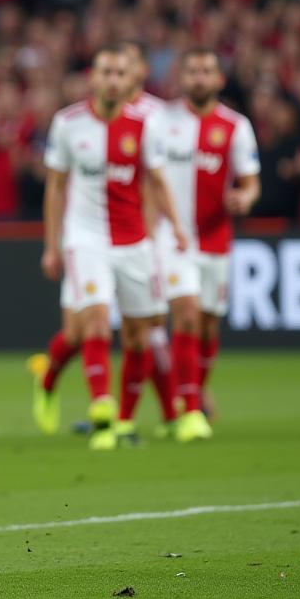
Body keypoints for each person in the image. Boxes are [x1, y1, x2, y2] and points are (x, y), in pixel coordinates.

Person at [35, 45, 187, 453]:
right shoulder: (67, 124)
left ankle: (122, 421)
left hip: (134, 241)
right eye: (107, 72)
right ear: (93, 77)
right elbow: (55, 186)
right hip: (85, 240)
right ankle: (101, 403)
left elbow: (156, 181)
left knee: (141, 334)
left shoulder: (144, 125)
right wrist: (52, 246)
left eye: (121, 73)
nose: (114, 80)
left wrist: (175, 227)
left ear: (130, 79)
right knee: (94, 323)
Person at [157, 49, 261, 441]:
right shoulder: (162, 121)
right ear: (182, 78)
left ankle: (196, 391)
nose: (199, 78)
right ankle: (189, 407)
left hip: (215, 239)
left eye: (207, 72)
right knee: (184, 314)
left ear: (219, 80)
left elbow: (250, 181)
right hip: (173, 237)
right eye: (193, 71)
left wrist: (246, 198)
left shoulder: (236, 126)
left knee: (208, 323)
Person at [121, 40, 178, 438]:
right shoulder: (100, 118)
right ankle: (172, 409)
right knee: (139, 328)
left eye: (128, 64)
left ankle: (177, 407)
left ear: (142, 70)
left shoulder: (156, 115)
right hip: (122, 235)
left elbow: (162, 178)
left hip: (150, 235)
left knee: (151, 324)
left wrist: (159, 228)